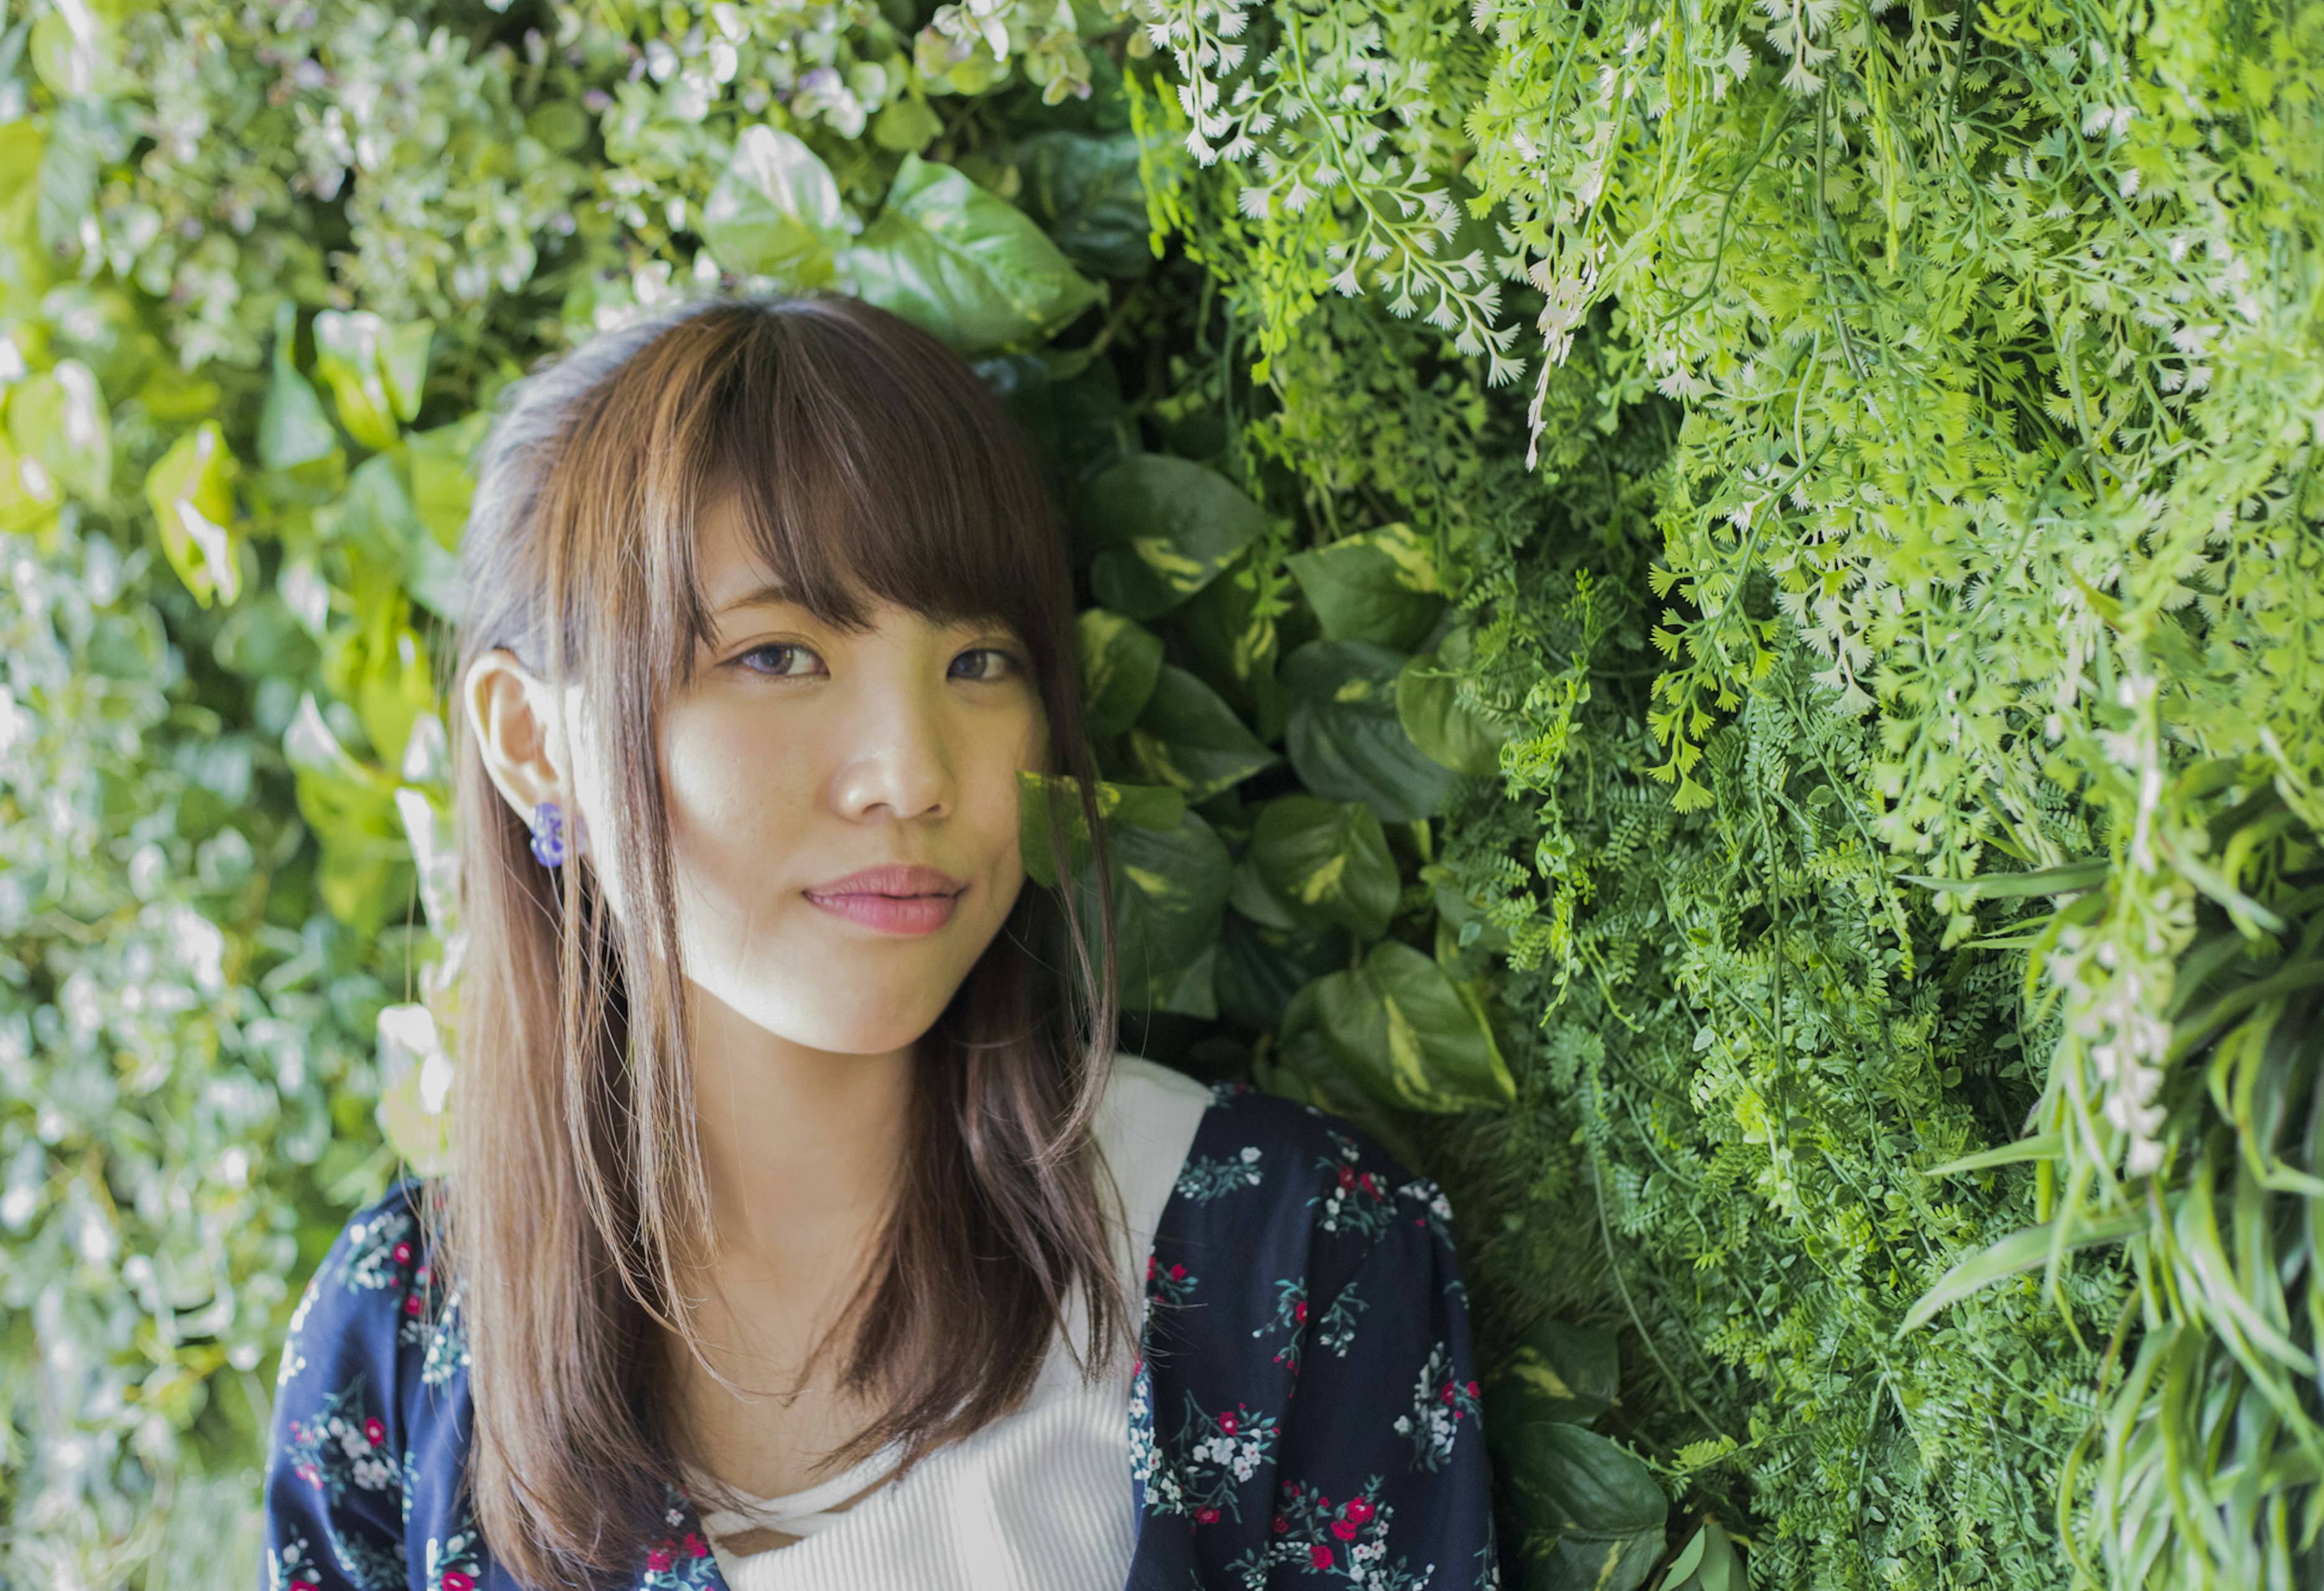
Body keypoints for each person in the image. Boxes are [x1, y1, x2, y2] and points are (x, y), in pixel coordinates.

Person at [257, 292, 1500, 1591]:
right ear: (531, 742)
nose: (912, 775)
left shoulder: (1288, 1257)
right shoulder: (401, 1343)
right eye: (778, 654)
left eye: (980, 662)